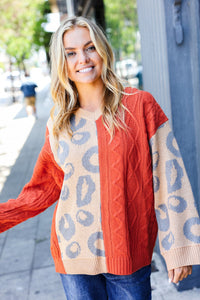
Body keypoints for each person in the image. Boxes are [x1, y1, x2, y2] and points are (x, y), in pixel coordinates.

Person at [0, 16, 200, 300]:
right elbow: (42, 190)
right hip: (74, 258)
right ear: (63, 64)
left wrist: (178, 246)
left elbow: (170, 179)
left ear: (103, 50)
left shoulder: (140, 105)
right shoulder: (58, 123)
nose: (82, 58)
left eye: (90, 47)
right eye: (71, 53)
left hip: (129, 255)